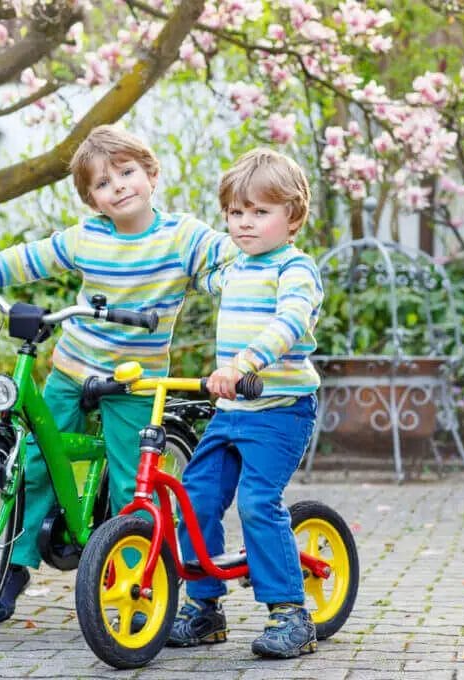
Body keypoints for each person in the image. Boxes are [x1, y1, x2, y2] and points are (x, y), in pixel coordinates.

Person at [0, 125, 234, 624]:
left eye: (127, 173)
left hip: (134, 380)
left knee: (127, 481)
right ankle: (15, 564)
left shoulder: (181, 237)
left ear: (152, 174)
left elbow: (226, 261)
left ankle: (136, 583)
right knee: (35, 462)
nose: (118, 186)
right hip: (73, 368)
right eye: (102, 183)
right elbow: (29, 258)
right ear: (92, 199)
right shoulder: (87, 237)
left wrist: (244, 276)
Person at [169, 148, 324, 659]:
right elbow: (188, 277)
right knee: (195, 499)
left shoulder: (296, 269)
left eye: (261, 212)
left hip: (281, 409)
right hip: (232, 412)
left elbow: (291, 322)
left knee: (259, 501)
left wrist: (243, 364)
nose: (245, 223)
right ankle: (204, 608)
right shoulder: (234, 268)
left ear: (293, 217)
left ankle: (292, 614)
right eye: (237, 213)